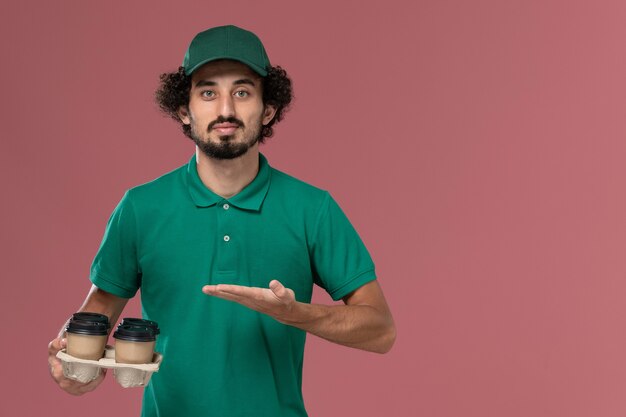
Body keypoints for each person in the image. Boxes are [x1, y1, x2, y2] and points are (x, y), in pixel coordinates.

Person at [48, 25, 396, 416]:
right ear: (184, 108)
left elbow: (380, 330)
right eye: (208, 92)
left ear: (268, 109)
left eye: (242, 92)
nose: (226, 109)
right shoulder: (141, 208)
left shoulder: (311, 209)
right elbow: (92, 326)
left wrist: (296, 313)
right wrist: (71, 369)